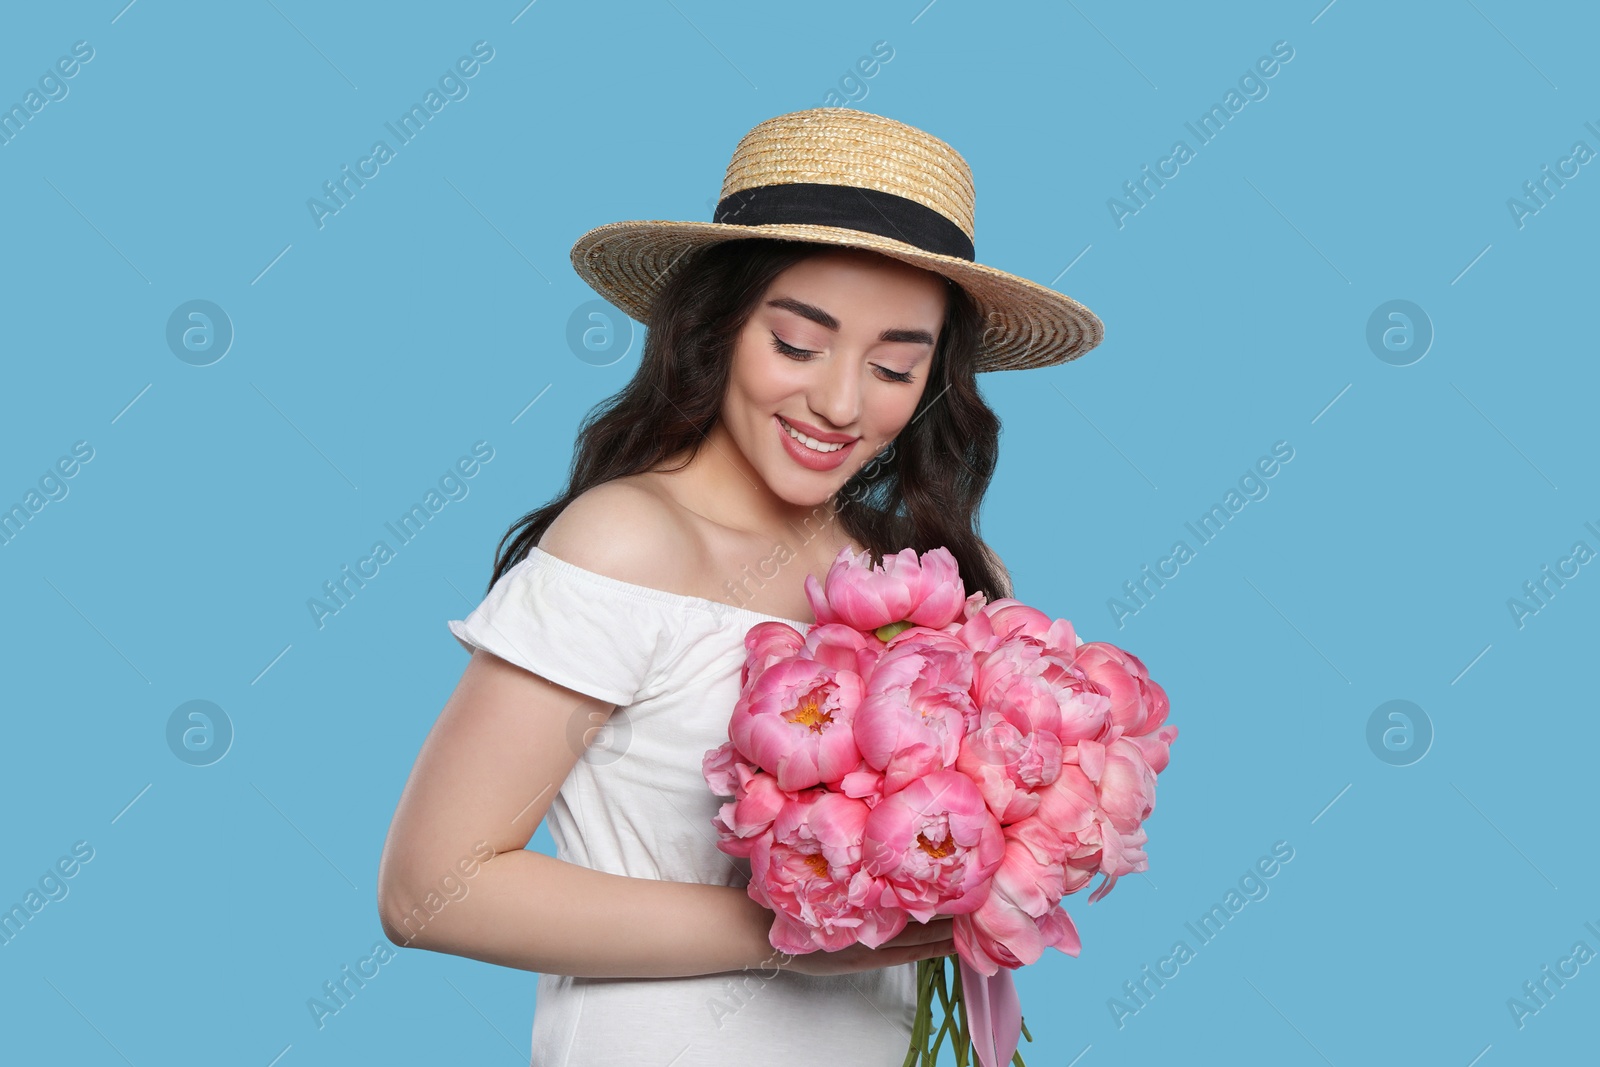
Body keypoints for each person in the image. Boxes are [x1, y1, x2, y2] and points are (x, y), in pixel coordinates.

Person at [376, 107, 1103, 1065]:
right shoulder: (627, 540)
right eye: (797, 346)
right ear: (716, 328)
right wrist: (797, 934)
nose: (841, 403)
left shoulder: (927, 575)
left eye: (893, 365)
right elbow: (432, 887)